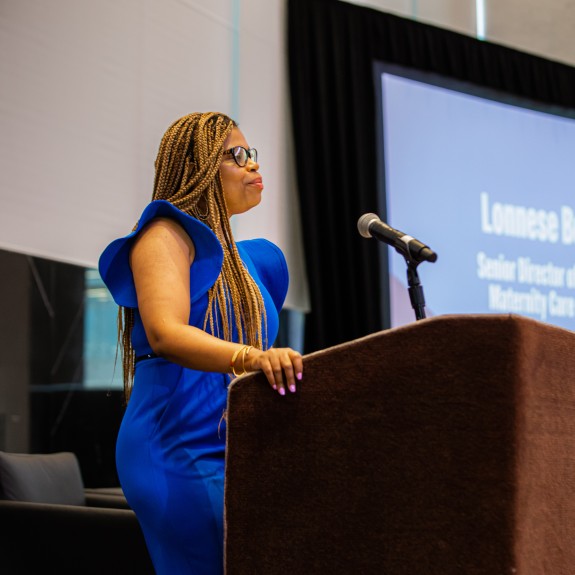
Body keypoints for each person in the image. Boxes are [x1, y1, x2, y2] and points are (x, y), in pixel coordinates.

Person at [99, 112, 303, 574]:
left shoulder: (260, 264)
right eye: (238, 155)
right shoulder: (164, 235)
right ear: (201, 166)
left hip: (238, 451)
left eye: (254, 155)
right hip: (175, 447)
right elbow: (165, 333)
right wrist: (251, 357)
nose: (254, 165)